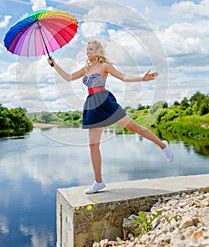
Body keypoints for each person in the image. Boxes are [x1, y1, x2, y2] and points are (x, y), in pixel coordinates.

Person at [48, 40, 174, 194]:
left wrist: (142, 78)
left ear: (98, 51)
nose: (88, 51)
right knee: (93, 145)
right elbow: (68, 77)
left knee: (134, 128)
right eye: (87, 49)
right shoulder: (86, 68)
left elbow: (123, 77)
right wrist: (55, 65)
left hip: (105, 100)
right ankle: (98, 182)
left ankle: (162, 145)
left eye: (91, 49)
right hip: (92, 103)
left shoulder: (105, 66)